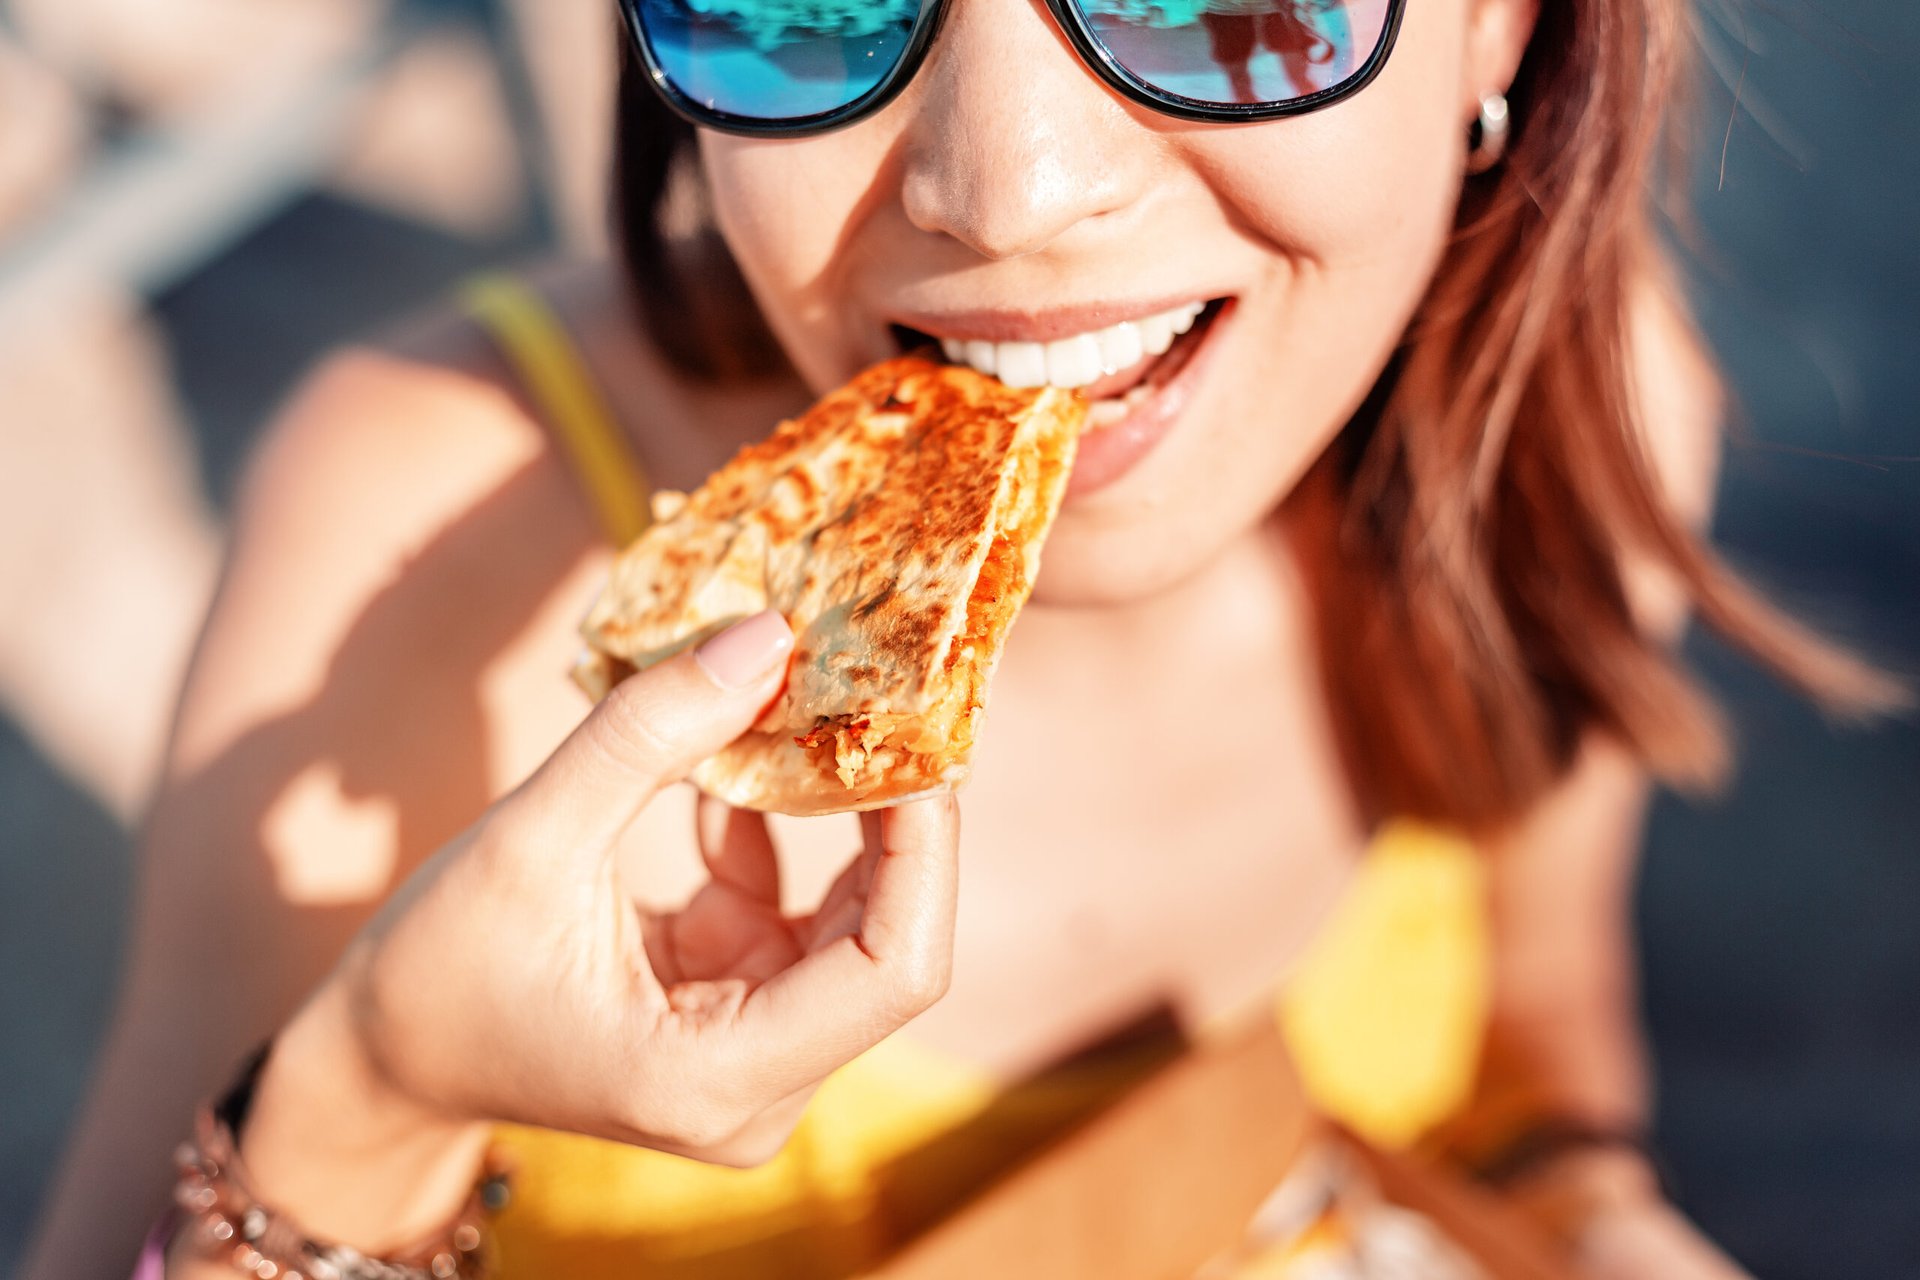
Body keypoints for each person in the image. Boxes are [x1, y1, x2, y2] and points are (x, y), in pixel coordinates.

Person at [21, 0, 1899, 1275]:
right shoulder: (425, 566)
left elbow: (1534, 1027)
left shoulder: (1566, 451)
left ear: (1501, 21)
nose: (1002, 193)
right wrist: (373, 1096)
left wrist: (1583, 1205)